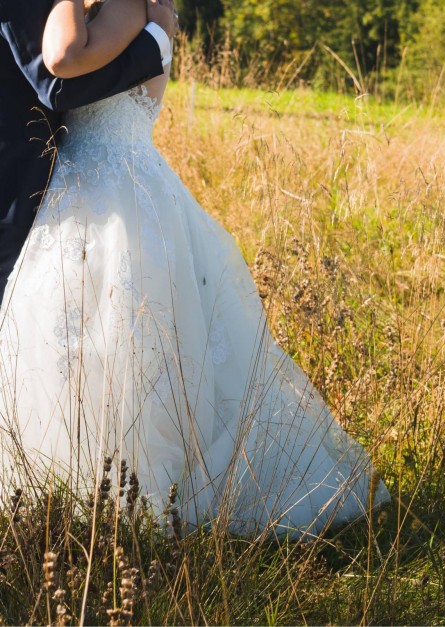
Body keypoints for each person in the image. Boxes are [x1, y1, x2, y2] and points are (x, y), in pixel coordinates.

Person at [0, 0, 390, 540]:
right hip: (96, 190)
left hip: (110, 196)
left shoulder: (127, 6)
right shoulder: (138, 13)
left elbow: (62, 61)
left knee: (127, 351)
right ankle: (72, 492)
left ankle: (130, 499)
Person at [0, 0, 177, 304]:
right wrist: (156, 39)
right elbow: (59, 85)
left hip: (100, 190)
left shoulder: (128, 7)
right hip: (22, 176)